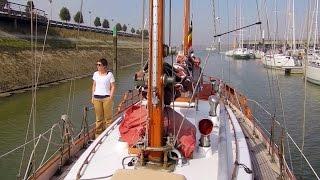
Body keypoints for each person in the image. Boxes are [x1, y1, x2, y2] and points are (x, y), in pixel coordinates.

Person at [91, 58, 115, 138]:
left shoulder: (109, 75)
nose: (97, 66)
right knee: (99, 118)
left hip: (106, 98)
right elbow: (94, 85)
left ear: (104, 66)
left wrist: (110, 97)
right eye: (97, 65)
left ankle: (109, 135)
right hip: (96, 98)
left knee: (108, 119)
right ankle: (98, 135)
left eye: (99, 65)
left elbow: (113, 86)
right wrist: (92, 97)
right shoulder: (95, 74)